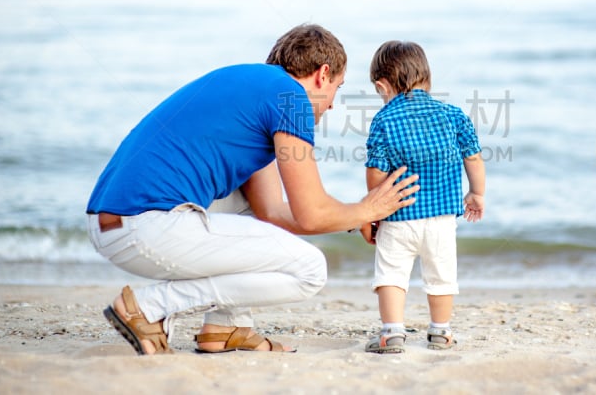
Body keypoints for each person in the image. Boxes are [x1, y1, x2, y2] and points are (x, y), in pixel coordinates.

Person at [86, 24, 419, 355]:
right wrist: (369, 208)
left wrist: (352, 217)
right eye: (337, 87)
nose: (332, 104)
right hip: (145, 225)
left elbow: (271, 211)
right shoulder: (291, 99)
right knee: (310, 271)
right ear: (323, 74)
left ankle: (225, 326)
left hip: (113, 222)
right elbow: (311, 212)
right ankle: (148, 306)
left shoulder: (252, 88)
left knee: (248, 206)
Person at [359, 40, 485, 353]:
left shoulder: (384, 120)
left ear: (381, 85)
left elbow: (376, 172)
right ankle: (440, 332)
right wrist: (477, 193)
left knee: (391, 274)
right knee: (442, 276)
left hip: (398, 216)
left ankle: (392, 332)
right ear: (427, 79)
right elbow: (473, 157)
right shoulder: (453, 115)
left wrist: (372, 210)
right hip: (441, 219)